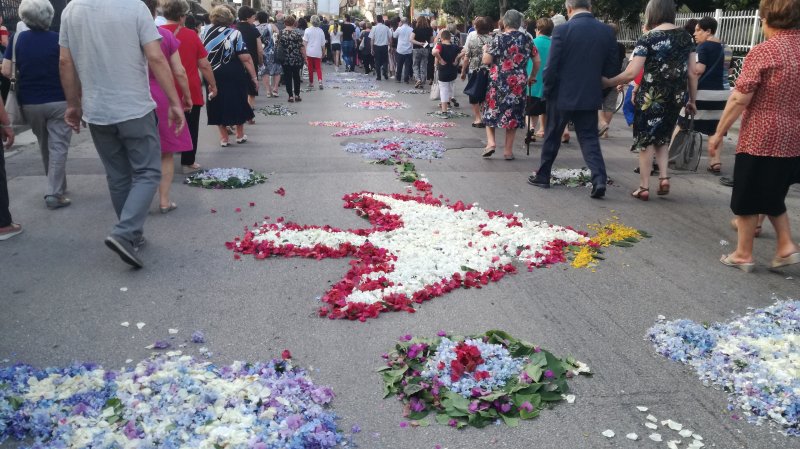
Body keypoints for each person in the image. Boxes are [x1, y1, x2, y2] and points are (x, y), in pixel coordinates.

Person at [59, 0, 185, 268]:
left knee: (117, 176)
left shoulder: (71, 9)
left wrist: (73, 104)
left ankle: (132, 235)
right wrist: (174, 102)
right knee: (148, 172)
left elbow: (65, 61)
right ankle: (124, 233)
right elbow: (155, 56)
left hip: (97, 110)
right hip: (134, 107)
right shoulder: (135, 7)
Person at [709, 0, 800, 272]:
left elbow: (740, 97)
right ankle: (785, 247)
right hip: (793, 135)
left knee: (747, 194)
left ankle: (743, 254)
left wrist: (720, 131)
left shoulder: (765, 51)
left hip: (762, 133)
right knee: (772, 191)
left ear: (767, 19)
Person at [602, 0, 697, 201]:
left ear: (651, 13)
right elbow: (692, 73)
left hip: (651, 96)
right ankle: (663, 177)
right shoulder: (686, 37)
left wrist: (609, 82)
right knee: (663, 136)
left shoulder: (648, 38)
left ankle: (644, 187)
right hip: (676, 95)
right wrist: (692, 100)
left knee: (646, 139)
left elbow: (632, 72)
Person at [529, 0, 619, 199]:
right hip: (589, 93)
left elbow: (551, 68)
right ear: (590, 7)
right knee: (589, 138)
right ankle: (599, 179)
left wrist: (548, 91)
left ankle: (543, 175)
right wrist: (599, 90)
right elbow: (612, 69)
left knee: (553, 135)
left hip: (561, 94)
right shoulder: (606, 32)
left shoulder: (563, 31)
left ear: (569, 8)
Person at [1, 0, 71, 210]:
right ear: (49, 16)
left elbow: (6, 70)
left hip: (29, 102)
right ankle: (53, 192)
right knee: (58, 146)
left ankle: (58, 185)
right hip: (58, 99)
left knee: (44, 144)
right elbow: (68, 67)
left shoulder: (17, 39)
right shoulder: (58, 39)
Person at [142, 0, 193, 215]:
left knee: (138, 152)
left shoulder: (122, 36)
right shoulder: (164, 35)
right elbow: (179, 71)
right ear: (154, 11)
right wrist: (186, 98)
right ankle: (164, 200)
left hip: (135, 92)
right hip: (162, 95)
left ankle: (136, 203)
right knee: (166, 153)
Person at [161, 0, 218, 174]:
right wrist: (213, 85)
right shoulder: (191, 35)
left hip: (162, 87)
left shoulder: (156, 34)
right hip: (189, 87)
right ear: (182, 16)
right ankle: (188, 161)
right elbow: (204, 64)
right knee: (191, 125)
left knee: (163, 125)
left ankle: (163, 159)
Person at [480, 10, 539, 161]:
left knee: (491, 110)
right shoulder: (527, 38)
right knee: (512, 114)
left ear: (505, 22)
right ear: (519, 23)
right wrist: (532, 76)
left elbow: (486, 61)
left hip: (498, 80)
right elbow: (537, 61)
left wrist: (485, 51)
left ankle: (491, 143)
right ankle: (508, 151)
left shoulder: (498, 38)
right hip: (518, 82)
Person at [201, 5, 257, 146]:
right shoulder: (234, 33)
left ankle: (224, 137)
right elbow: (245, 58)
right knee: (238, 100)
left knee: (216, 102)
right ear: (229, 18)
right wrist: (254, 77)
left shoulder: (204, 33)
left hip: (212, 73)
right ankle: (239, 134)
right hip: (233, 73)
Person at [690, 16, 731, 175]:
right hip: (723, 94)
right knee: (716, 128)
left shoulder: (703, 47)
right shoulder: (727, 47)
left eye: (698, 30)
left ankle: (671, 157)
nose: (695, 33)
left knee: (683, 122)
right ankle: (715, 161)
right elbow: (729, 71)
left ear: (708, 31)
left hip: (703, 93)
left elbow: (698, 70)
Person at [523, 17, 553, 143]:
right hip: (550, 84)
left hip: (532, 82)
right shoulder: (555, 45)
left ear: (538, 29)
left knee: (530, 112)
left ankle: (531, 128)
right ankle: (544, 130)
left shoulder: (532, 43)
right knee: (544, 109)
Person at [460, 16, 493, 127]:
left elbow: (466, 56)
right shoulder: (492, 39)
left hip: (474, 70)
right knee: (485, 94)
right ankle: (485, 116)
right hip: (488, 70)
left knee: (473, 94)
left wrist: (463, 71)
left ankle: (478, 118)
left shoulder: (472, 37)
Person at [597, 23, 626, 138]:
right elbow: (624, 64)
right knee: (609, 105)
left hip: (600, 78)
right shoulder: (621, 47)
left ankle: (603, 123)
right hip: (615, 78)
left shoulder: (600, 45)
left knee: (596, 103)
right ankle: (605, 131)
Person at [236, 6, 262, 115]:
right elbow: (260, 49)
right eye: (252, 18)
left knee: (239, 87)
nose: (254, 20)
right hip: (252, 61)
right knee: (251, 88)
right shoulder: (254, 30)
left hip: (237, 63)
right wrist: (260, 61)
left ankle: (240, 110)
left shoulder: (234, 29)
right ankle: (249, 112)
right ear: (247, 18)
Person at [278, 15, 305, 102]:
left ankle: (290, 96)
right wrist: (305, 57)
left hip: (285, 59)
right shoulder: (297, 33)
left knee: (287, 77)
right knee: (296, 76)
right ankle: (297, 95)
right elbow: (301, 47)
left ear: (285, 23)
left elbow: (278, 45)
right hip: (296, 58)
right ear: (294, 23)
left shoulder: (281, 33)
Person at [432, 29, 459, 115]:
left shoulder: (440, 45)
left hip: (443, 71)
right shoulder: (454, 46)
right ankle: (449, 101)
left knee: (443, 90)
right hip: (453, 71)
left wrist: (440, 59)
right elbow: (465, 50)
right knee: (450, 88)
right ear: (450, 38)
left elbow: (434, 52)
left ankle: (444, 110)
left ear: (442, 38)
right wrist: (457, 59)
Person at [256, 12, 281, 97]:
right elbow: (278, 34)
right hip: (272, 50)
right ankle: (275, 89)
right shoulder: (271, 26)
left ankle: (268, 91)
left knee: (264, 71)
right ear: (267, 18)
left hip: (261, 51)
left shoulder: (256, 28)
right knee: (277, 70)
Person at [303, 15, 325, 89]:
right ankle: (320, 81)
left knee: (310, 68)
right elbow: (323, 44)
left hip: (309, 51)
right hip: (318, 52)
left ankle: (311, 82)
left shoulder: (307, 30)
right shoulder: (321, 31)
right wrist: (324, 52)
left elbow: (305, 43)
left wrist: (305, 52)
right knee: (318, 67)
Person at [410, 16, 432, 89]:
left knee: (415, 65)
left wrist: (419, 43)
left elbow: (411, 39)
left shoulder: (415, 30)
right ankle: (422, 82)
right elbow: (432, 40)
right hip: (426, 49)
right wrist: (425, 43)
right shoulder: (429, 30)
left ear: (418, 22)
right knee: (424, 66)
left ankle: (418, 79)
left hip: (416, 49)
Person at [371, 15, 391, 81]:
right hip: (384, 46)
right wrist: (390, 46)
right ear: (382, 19)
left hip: (376, 46)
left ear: (377, 20)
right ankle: (385, 71)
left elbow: (372, 39)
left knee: (377, 61)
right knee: (385, 60)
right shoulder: (386, 28)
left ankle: (378, 76)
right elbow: (390, 37)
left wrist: (371, 48)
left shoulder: (374, 28)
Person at [393, 17, 413, 83]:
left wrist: (398, 26)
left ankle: (398, 79)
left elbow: (394, 36)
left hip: (400, 50)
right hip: (409, 50)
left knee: (399, 65)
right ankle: (406, 79)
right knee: (407, 65)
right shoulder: (411, 29)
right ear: (408, 22)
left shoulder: (399, 29)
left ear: (401, 22)